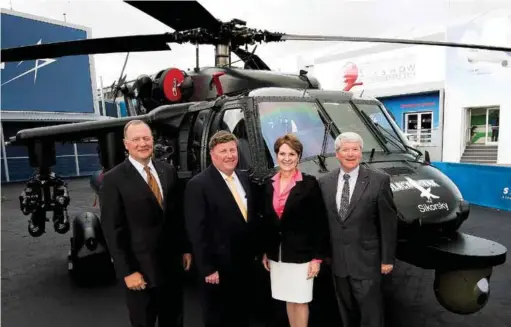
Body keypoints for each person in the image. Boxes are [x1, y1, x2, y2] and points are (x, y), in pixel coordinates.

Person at [99, 120, 192, 327]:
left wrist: (185, 249)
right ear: (126, 144)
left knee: (174, 320)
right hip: (140, 272)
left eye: (146, 138)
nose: (142, 143)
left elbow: (176, 216)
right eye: (136, 139)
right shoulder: (113, 180)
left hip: (171, 268)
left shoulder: (168, 171)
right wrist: (128, 271)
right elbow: (113, 230)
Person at [317, 131, 398, 327]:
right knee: (346, 313)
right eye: (345, 149)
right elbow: (322, 222)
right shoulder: (324, 182)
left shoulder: (379, 180)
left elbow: (388, 223)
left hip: (367, 262)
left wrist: (387, 259)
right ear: (337, 154)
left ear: (361, 152)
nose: (350, 154)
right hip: (338, 262)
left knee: (371, 314)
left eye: (355, 149)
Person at [184, 130, 259, 327]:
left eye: (232, 150)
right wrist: (208, 268)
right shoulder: (198, 185)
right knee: (218, 318)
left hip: (244, 266)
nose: (229, 155)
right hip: (217, 270)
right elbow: (196, 231)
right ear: (212, 155)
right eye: (223, 151)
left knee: (242, 316)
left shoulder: (244, 179)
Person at [260, 134, 329, 327]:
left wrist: (317, 258)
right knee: (289, 300)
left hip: (302, 257)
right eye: (282, 153)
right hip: (278, 256)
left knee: (300, 301)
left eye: (292, 153)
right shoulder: (268, 184)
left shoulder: (309, 183)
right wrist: (266, 251)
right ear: (276, 155)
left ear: (298, 156)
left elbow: (319, 223)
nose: (287, 158)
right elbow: (267, 222)